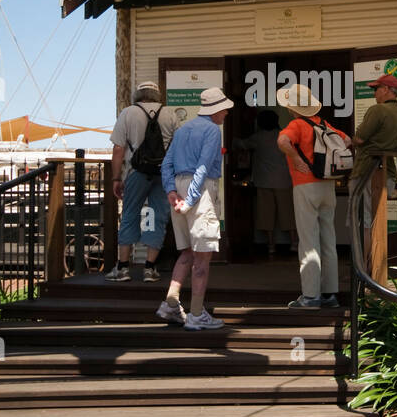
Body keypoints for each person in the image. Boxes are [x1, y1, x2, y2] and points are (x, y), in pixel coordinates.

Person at [156, 87, 234, 330]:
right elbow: (203, 167)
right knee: (202, 257)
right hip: (200, 191)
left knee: (187, 252)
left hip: (178, 187)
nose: (226, 114)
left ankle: (171, 302)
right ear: (217, 110)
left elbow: (166, 164)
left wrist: (171, 192)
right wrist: (191, 199)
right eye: (225, 110)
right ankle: (197, 313)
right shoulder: (212, 130)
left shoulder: (183, 129)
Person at [276, 83, 350, 309]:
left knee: (308, 241)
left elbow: (282, 141)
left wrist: (297, 160)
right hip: (327, 186)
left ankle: (310, 296)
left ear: (292, 108)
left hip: (305, 185)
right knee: (328, 240)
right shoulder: (325, 125)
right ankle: (330, 294)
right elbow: (346, 141)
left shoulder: (296, 124)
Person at [106, 81, 179, 282]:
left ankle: (122, 268)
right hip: (162, 174)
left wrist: (116, 178)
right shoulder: (169, 114)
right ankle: (149, 268)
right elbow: (178, 146)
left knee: (130, 214)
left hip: (136, 173)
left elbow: (118, 149)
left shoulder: (128, 113)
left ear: (138, 94)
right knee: (157, 216)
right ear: (157, 95)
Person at [232, 109, 294, 257]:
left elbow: (241, 144)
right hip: (284, 181)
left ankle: (271, 245)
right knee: (288, 214)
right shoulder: (284, 135)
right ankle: (294, 243)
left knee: (266, 216)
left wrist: (231, 137)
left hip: (264, 181)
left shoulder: (258, 138)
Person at [351, 72, 397, 204]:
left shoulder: (377, 110)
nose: (374, 93)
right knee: (378, 218)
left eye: (376, 89)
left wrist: (352, 141)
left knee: (364, 219)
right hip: (390, 175)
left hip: (367, 172)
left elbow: (359, 138)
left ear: (386, 89)